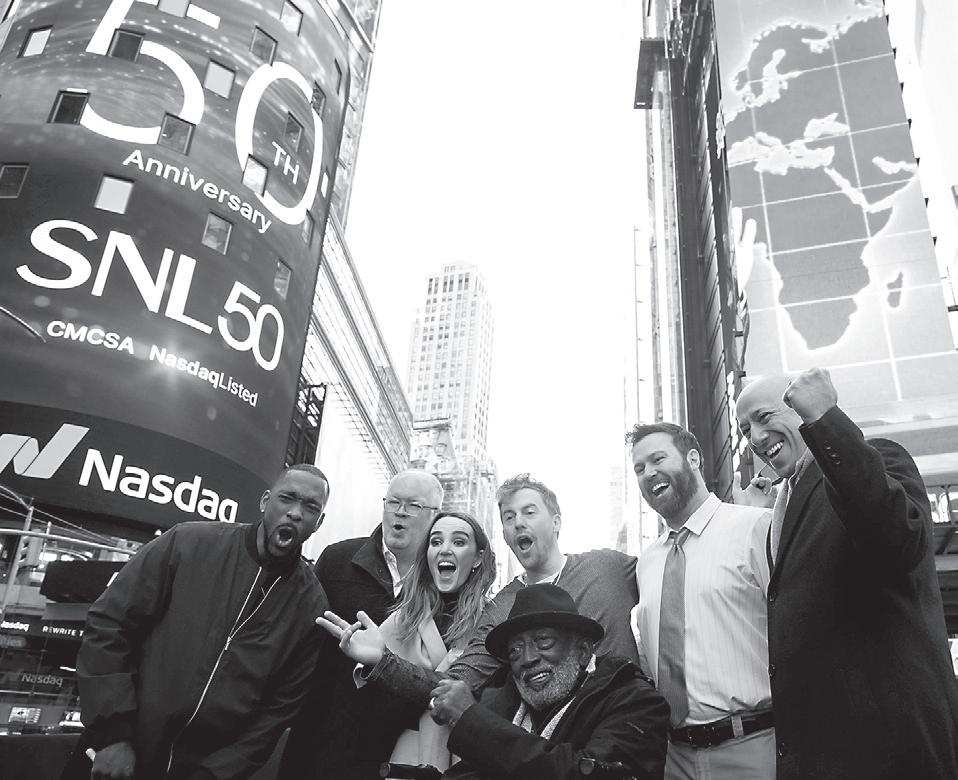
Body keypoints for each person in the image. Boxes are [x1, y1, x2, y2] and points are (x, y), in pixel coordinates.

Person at [735, 368, 958, 779]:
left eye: (764, 417)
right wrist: (752, 524)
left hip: (889, 754)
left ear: (800, 407)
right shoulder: (779, 507)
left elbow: (899, 538)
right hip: (822, 754)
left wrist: (826, 420)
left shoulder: (877, 457)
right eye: (745, 429)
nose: (756, 437)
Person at [69, 464, 330, 780]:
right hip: (114, 755)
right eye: (287, 498)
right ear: (265, 501)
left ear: (319, 522)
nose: (295, 513)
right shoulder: (188, 542)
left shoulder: (310, 604)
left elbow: (278, 710)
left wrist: (217, 774)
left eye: (310, 507)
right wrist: (113, 734)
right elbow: (110, 623)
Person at [327, 584, 669, 779]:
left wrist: (472, 719)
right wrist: (383, 661)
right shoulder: (505, 702)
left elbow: (584, 772)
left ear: (582, 651)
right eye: (515, 650)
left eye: (544, 641)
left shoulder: (635, 702)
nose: (528, 658)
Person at [628, 423, 774, 779]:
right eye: (639, 468)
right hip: (674, 757)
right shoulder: (647, 562)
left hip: (753, 748)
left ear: (693, 459)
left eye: (658, 459)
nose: (648, 473)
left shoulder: (757, 527)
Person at [280, 469, 444, 779]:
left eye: (413, 505)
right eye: (393, 502)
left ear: (435, 515)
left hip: (394, 752)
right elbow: (298, 643)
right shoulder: (338, 559)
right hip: (319, 738)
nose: (400, 512)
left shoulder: (442, 581)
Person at [319, 511, 496, 775]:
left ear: (478, 557)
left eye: (459, 542)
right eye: (436, 542)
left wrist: (389, 666)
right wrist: (374, 663)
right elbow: (369, 709)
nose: (445, 549)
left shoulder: (492, 621)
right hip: (401, 759)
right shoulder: (404, 618)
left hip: (469, 760)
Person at [446, 474, 641, 692]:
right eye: (509, 517)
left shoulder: (608, 568)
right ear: (504, 535)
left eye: (529, 512)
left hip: (629, 706)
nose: (518, 523)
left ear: (556, 522)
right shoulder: (500, 609)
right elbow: (460, 679)